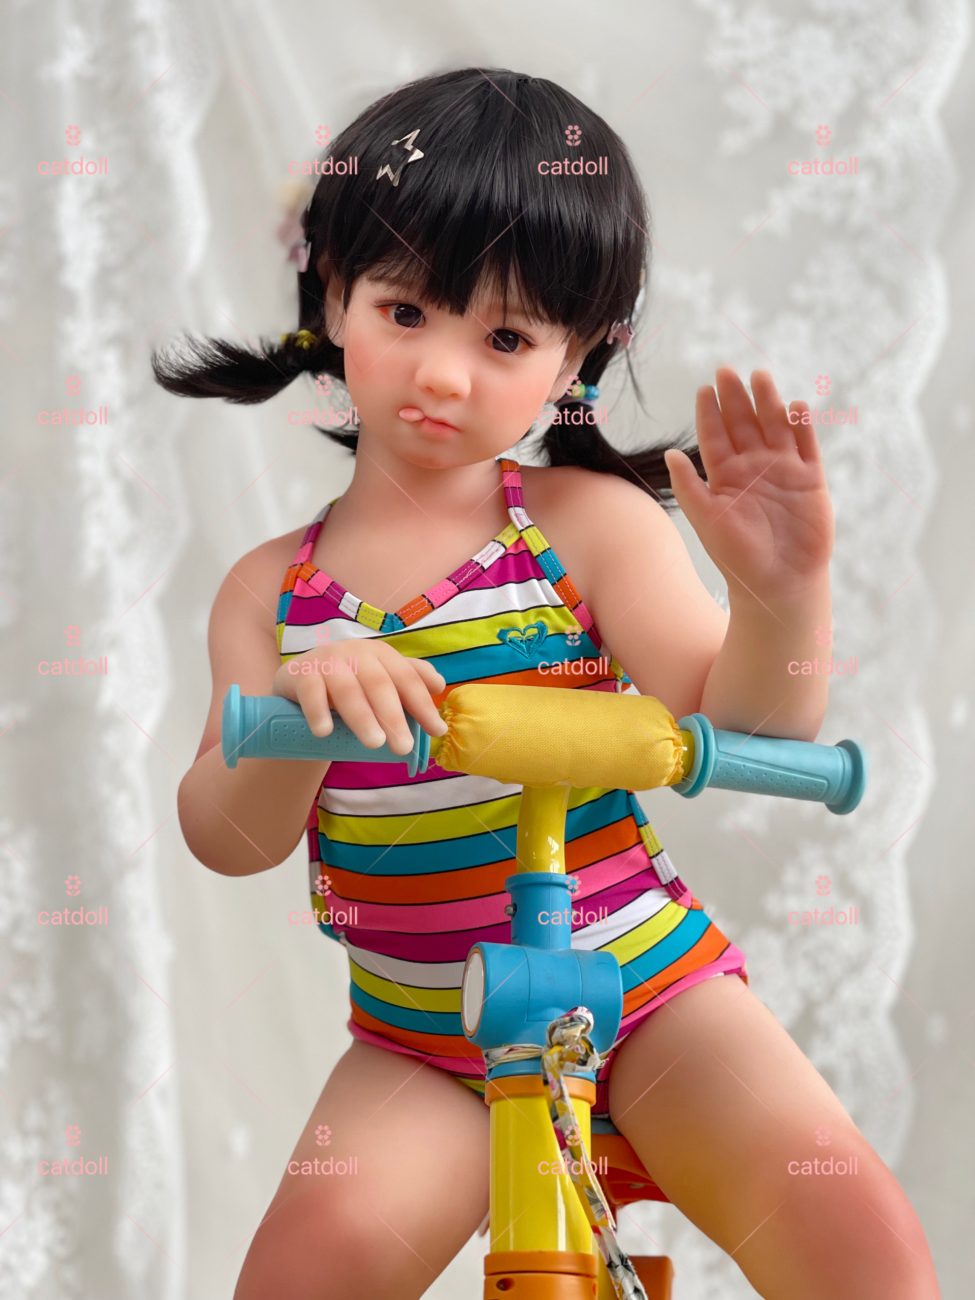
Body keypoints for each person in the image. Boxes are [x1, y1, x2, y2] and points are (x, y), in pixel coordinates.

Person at [156, 66, 939, 1300]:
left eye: (506, 338)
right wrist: (309, 710)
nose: (444, 373)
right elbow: (228, 838)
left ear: (579, 358)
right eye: (406, 310)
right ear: (333, 295)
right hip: (425, 1035)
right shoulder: (273, 592)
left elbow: (749, 725)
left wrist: (784, 599)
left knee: (855, 1235)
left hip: (645, 992)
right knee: (307, 1268)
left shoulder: (584, 526)